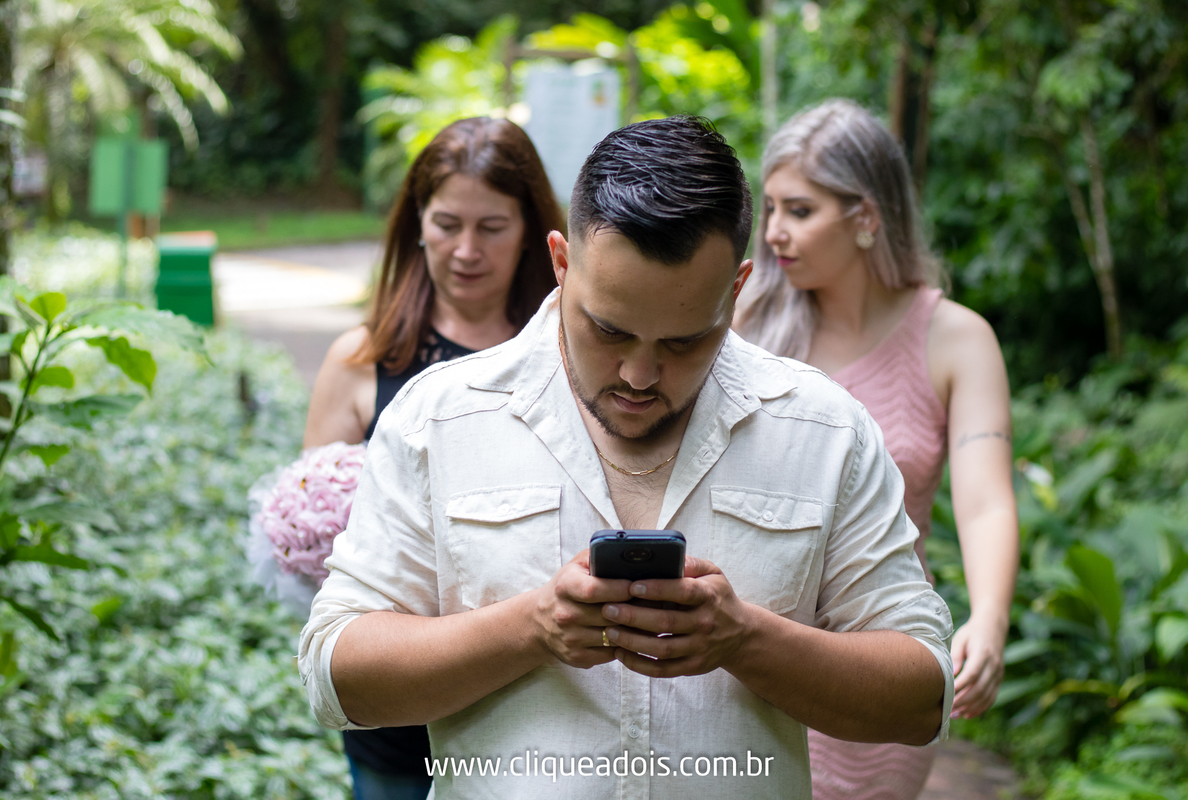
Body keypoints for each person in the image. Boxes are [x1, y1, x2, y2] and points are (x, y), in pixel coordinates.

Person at [299, 115, 955, 800]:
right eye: (608, 330)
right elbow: (333, 675)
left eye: (684, 341)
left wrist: (744, 641)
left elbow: (921, 696)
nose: (640, 375)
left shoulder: (823, 431)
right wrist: (532, 626)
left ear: (736, 289)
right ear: (561, 262)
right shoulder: (438, 419)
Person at [735, 99, 1020, 799]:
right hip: (740, 658)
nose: (773, 233)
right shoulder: (741, 322)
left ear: (866, 217)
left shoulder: (956, 338)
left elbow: (984, 502)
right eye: (768, 208)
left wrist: (989, 620)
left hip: (879, 660)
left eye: (799, 211)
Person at [302, 116, 562, 800]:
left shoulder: (567, 358)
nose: (466, 250)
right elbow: (315, 545)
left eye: (493, 227)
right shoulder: (363, 361)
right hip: (398, 714)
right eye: (447, 224)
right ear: (416, 223)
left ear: (535, 230)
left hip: (535, 696)